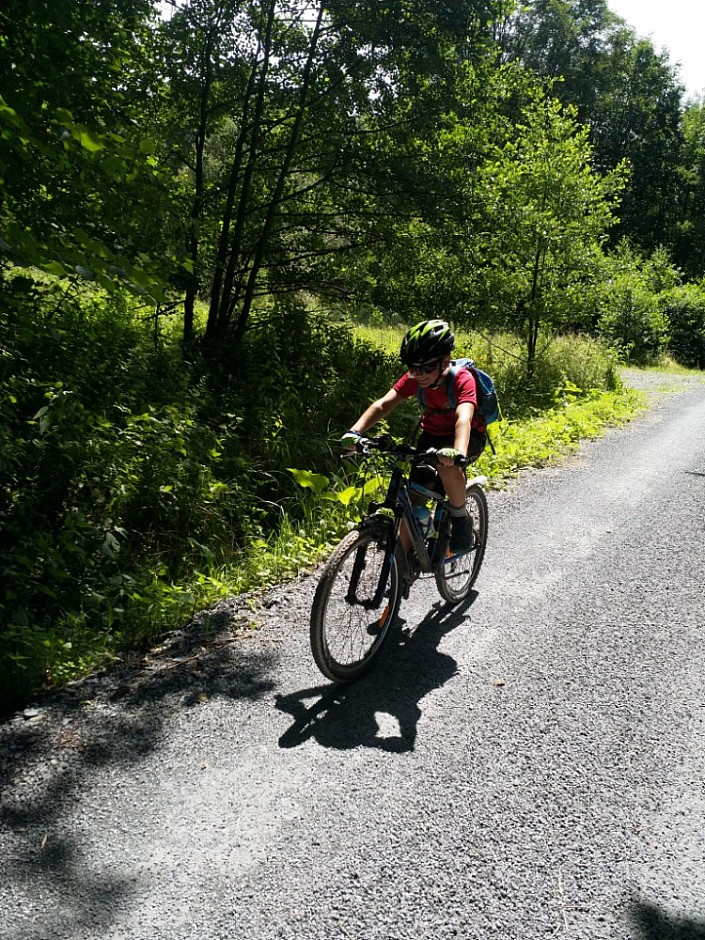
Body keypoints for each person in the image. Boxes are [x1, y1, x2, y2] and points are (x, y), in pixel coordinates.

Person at [341, 319, 486, 554]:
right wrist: (354, 432)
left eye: (426, 368)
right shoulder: (415, 380)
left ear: (445, 362)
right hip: (431, 436)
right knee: (411, 502)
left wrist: (457, 452)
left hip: (468, 437)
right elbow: (383, 404)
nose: (419, 374)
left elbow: (464, 418)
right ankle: (403, 568)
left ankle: (460, 518)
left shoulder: (462, 379)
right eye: (413, 368)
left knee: (447, 467)